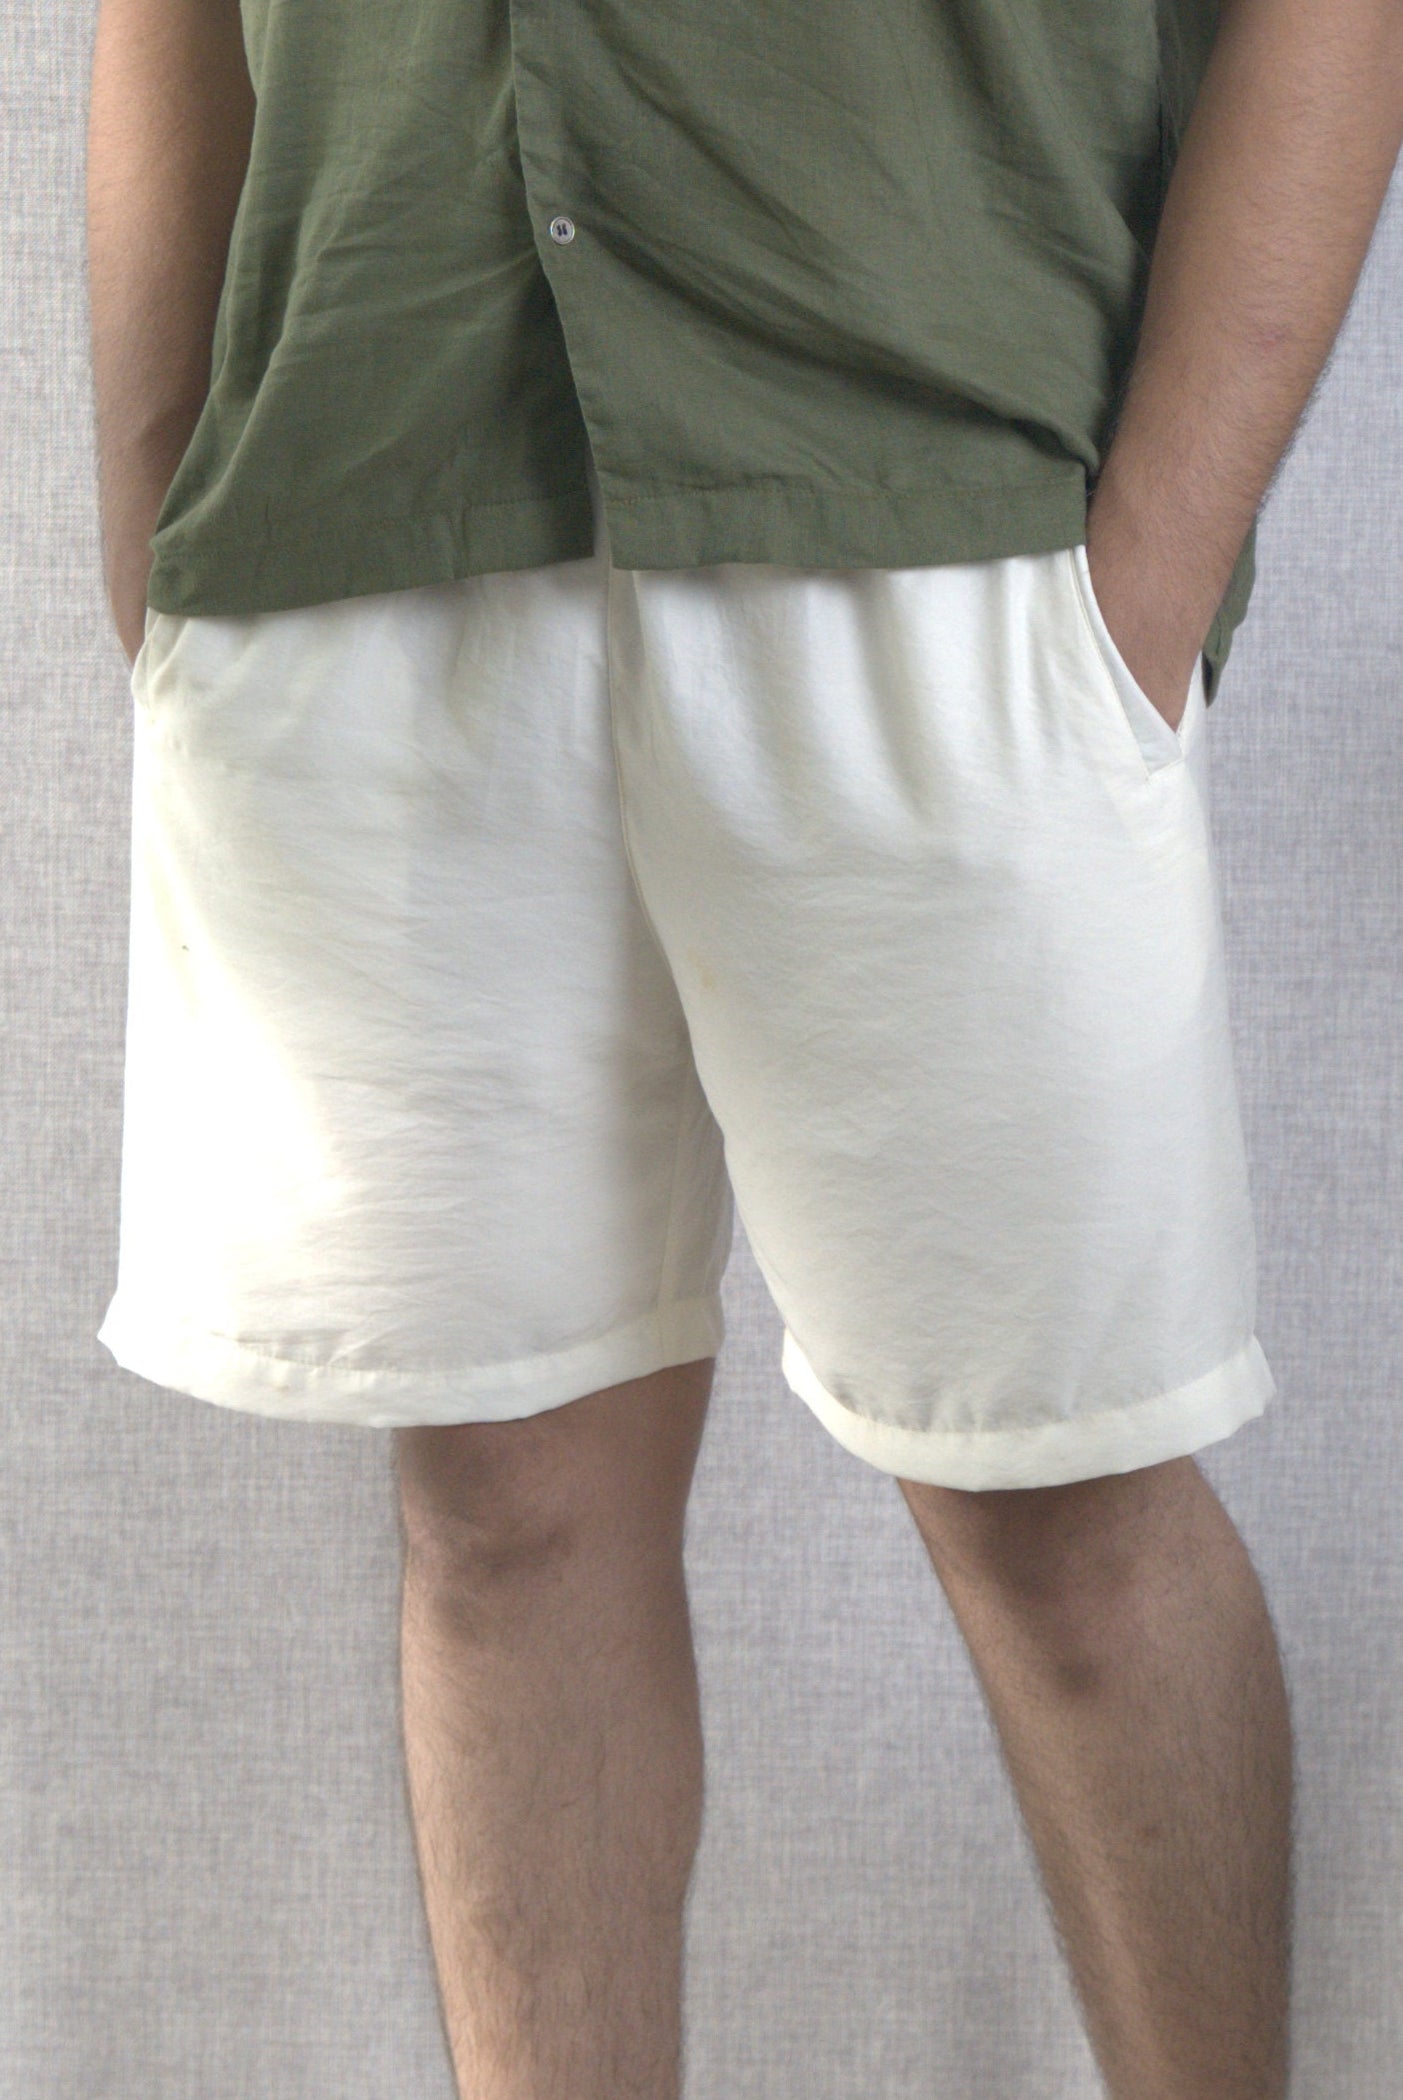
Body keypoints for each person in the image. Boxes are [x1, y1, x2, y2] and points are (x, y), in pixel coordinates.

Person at [85, 0, 1402, 2092]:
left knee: (1060, 1500)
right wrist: (156, 487)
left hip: (945, 505)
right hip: (365, 483)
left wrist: (1148, 576)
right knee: (504, 1499)